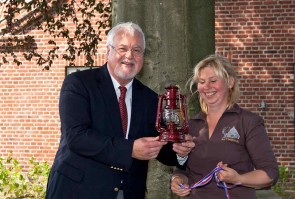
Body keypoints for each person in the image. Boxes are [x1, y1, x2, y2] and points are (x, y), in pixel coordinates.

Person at [45, 22, 195, 199]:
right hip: (77, 191)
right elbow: (77, 137)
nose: (129, 56)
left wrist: (180, 151)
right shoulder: (78, 84)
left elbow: (159, 147)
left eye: (137, 50)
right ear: (109, 50)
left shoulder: (150, 98)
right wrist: (130, 149)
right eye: (122, 48)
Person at [171, 54, 279, 199]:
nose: (207, 87)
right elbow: (182, 170)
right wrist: (177, 180)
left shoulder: (248, 122)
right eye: (202, 82)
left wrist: (238, 179)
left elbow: (270, 174)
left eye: (213, 80)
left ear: (230, 82)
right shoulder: (191, 125)